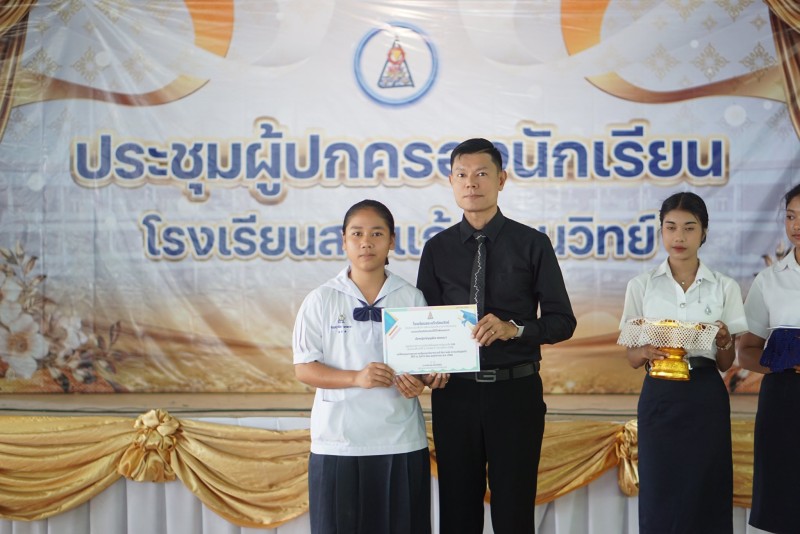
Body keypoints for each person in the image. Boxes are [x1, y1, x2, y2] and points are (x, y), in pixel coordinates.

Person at [416, 138, 576, 534]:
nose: (471, 183)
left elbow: (562, 321)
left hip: (515, 393)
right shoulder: (436, 249)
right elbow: (424, 324)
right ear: (451, 182)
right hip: (455, 395)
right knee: (457, 513)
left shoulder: (532, 244)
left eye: (481, 174)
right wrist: (429, 368)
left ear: (501, 180)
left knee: (514, 513)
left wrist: (514, 329)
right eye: (461, 175)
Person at [293, 199, 438, 534]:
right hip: (338, 441)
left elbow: (425, 365)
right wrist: (356, 377)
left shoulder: (411, 297)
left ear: (392, 241)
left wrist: (421, 380)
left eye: (376, 233)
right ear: (343, 241)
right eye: (357, 234)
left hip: (400, 440)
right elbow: (304, 368)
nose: (366, 242)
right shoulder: (321, 299)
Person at [620, 191, 747, 534]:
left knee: (708, 487)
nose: (679, 236)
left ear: (704, 232)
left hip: (705, 394)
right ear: (661, 230)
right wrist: (645, 352)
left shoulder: (724, 287)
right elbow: (631, 357)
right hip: (659, 393)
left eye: (689, 228)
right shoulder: (642, 286)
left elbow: (725, 363)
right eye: (671, 227)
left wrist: (723, 340)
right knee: (660, 488)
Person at [738, 184, 800, 534]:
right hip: (784, 400)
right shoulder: (769, 280)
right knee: (781, 499)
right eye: (790, 216)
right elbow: (746, 351)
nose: (796, 225)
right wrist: (783, 361)